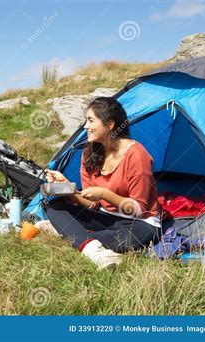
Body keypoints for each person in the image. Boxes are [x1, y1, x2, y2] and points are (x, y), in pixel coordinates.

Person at [46, 97, 160, 269]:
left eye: (91, 120)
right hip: (105, 217)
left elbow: (139, 209)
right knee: (55, 206)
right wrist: (67, 187)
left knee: (123, 239)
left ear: (110, 124)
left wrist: (105, 194)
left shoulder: (136, 154)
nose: (85, 126)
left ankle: (72, 234)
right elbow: (92, 205)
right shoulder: (89, 153)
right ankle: (92, 249)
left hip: (140, 222)